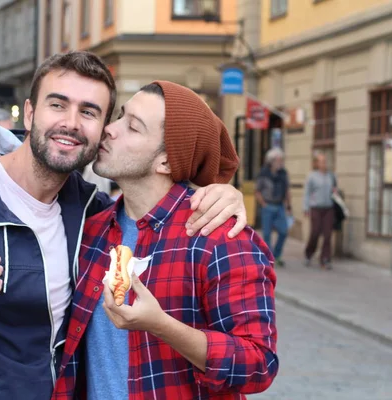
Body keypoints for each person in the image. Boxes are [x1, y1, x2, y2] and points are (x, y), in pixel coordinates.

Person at [0, 51, 248, 400]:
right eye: (58, 105)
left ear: (101, 130)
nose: (72, 123)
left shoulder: (91, 214)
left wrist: (220, 191)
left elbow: (158, 196)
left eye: (89, 112)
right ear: (29, 113)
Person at [53, 82, 278, 399]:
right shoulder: (92, 229)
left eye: (132, 126)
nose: (110, 129)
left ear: (167, 162)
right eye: (120, 116)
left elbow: (258, 365)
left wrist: (161, 326)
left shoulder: (218, 237)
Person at [255, 148, 291, 267]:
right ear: (271, 160)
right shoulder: (264, 173)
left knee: (284, 231)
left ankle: (277, 254)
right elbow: (258, 191)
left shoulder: (283, 173)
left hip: (280, 206)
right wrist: (263, 204)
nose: (280, 162)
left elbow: (287, 190)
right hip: (268, 205)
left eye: (281, 160)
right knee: (267, 233)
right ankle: (268, 257)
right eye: (278, 160)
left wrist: (288, 206)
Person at [303, 152, 337, 269]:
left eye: (325, 161)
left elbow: (335, 190)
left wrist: (335, 193)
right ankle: (309, 253)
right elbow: (307, 193)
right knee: (315, 232)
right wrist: (306, 208)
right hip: (316, 208)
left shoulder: (331, 176)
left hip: (328, 208)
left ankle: (325, 258)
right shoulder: (312, 176)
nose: (324, 164)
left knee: (328, 234)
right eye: (321, 162)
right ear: (317, 163)